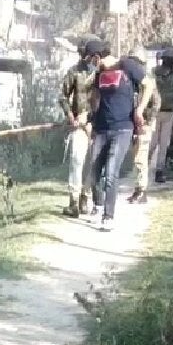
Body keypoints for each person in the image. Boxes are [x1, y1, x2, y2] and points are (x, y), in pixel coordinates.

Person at [85, 40, 153, 231]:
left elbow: (148, 85)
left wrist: (139, 110)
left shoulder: (127, 65)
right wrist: (92, 113)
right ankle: (98, 206)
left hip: (123, 128)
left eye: (91, 59)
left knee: (111, 172)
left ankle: (109, 216)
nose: (90, 63)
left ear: (97, 56)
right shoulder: (99, 73)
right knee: (94, 172)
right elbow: (96, 96)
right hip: (101, 129)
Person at [59, 39, 96, 218]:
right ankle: (73, 201)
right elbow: (63, 96)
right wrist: (70, 115)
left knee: (91, 162)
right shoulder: (74, 72)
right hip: (78, 125)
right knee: (76, 160)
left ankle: (85, 197)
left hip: (96, 124)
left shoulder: (101, 73)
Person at [127, 46, 161, 204]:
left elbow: (156, 103)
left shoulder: (148, 80)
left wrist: (147, 121)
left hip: (144, 124)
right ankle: (138, 189)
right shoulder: (131, 80)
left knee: (140, 157)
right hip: (133, 124)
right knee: (136, 157)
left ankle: (141, 191)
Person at [152, 47, 173, 184]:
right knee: (159, 143)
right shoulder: (172, 76)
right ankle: (155, 171)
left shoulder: (155, 73)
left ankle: (154, 170)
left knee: (158, 143)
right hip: (163, 112)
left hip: (162, 112)